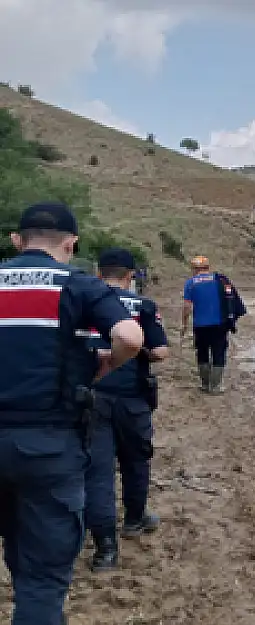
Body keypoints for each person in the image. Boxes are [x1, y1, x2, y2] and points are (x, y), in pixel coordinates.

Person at [0, 202, 143, 624]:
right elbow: (130, 337)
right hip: (49, 447)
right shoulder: (78, 285)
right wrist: (105, 366)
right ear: (70, 243)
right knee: (42, 579)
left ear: (16, 240)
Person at [83, 248, 169, 572]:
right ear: (131, 275)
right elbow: (161, 352)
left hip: (91, 395)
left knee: (97, 471)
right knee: (135, 460)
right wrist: (140, 347)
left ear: (98, 272)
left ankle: (105, 548)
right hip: (132, 398)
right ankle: (134, 519)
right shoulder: (143, 306)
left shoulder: (83, 300)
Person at [181, 256, 245, 394]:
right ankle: (215, 386)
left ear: (194, 269)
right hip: (220, 324)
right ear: (208, 267)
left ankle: (205, 384)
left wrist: (184, 324)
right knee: (219, 352)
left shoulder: (191, 283)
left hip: (200, 325)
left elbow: (187, 307)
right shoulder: (220, 280)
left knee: (202, 352)